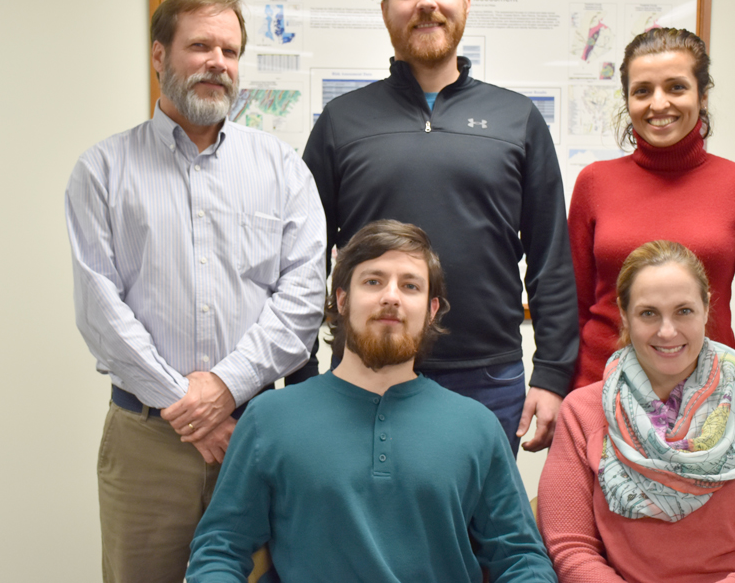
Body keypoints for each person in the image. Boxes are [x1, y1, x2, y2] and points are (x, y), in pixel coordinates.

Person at [64, 0, 326, 583]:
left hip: (255, 435)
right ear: (159, 56)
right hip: (146, 444)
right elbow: (99, 308)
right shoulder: (103, 170)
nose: (218, 63)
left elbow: (302, 298)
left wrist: (226, 389)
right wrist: (188, 406)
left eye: (230, 51)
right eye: (200, 46)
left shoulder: (283, 169)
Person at [302, 0, 578, 454]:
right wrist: (302, 373)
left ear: (465, 2)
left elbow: (550, 258)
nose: (426, 2)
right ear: (385, 8)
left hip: (486, 380)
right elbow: (303, 261)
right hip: (364, 376)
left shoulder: (517, 118)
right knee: (363, 532)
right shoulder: (341, 122)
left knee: (474, 535)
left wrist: (552, 373)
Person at [186, 220, 556, 583]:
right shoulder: (269, 418)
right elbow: (220, 549)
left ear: (431, 311)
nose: (391, 296)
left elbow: (522, 557)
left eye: (410, 286)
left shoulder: (477, 426)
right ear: (342, 300)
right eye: (373, 281)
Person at [537, 240, 735, 582]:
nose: (667, 332)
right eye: (648, 313)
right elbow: (569, 549)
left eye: (683, 311)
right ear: (624, 314)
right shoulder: (583, 415)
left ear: (706, 308)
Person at [568, 27, 735, 390]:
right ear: (628, 100)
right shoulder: (593, 183)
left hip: (711, 400)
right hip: (601, 391)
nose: (659, 103)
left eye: (676, 87)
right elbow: (573, 308)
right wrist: (564, 395)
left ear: (703, 96)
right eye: (643, 91)